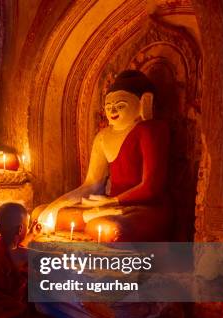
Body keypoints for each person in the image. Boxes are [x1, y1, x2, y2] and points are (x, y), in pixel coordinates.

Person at [35, 70, 171, 242]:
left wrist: (110, 203)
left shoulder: (149, 130)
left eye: (120, 105)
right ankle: (93, 218)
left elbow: (151, 188)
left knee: (108, 227)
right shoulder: (103, 136)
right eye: (108, 106)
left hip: (144, 208)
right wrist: (56, 206)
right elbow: (92, 184)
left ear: (144, 103)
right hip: (108, 207)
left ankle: (97, 220)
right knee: (42, 212)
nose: (112, 111)